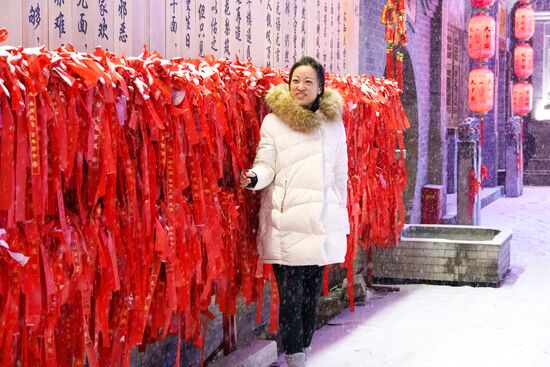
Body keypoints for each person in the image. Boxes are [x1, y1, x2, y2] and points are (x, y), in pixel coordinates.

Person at [240, 56, 349, 367]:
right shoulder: (274, 122)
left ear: (320, 88)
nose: (300, 87)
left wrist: (338, 209)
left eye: (307, 82)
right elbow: (266, 164)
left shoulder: (333, 125)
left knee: (309, 299)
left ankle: (302, 353)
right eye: (295, 81)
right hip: (286, 221)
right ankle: (295, 359)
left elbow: (340, 173)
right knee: (290, 299)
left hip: (320, 222)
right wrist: (253, 178)